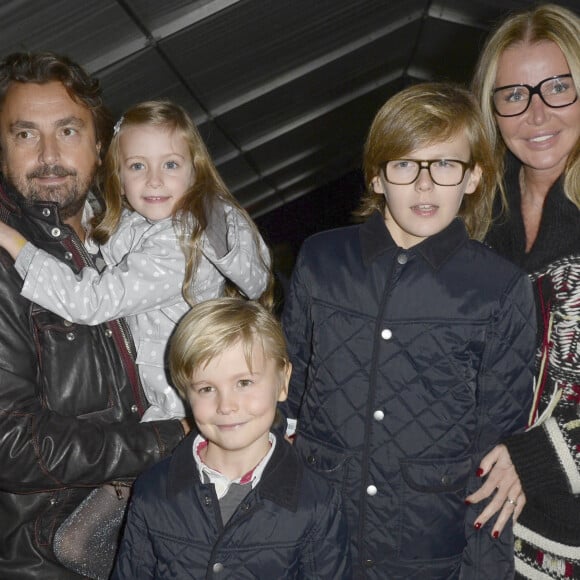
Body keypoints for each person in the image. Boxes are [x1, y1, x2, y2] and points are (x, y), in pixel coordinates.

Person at [0, 98, 272, 578]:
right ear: (118, 173)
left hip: (177, 403)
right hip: (162, 397)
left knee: (184, 521)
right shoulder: (134, 223)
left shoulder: (181, 240)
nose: (154, 180)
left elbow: (93, 302)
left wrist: (15, 242)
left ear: (195, 171)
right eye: (137, 166)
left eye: (170, 165)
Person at [282, 82, 537, 579]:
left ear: (473, 178)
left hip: (428, 553)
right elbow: (284, 393)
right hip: (315, 540)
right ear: (377, 177)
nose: (424, 186)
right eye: (405, 165)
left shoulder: (501, 289)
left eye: (444, 165)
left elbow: (497, 456)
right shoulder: (321, 259)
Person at [0, 52, 187, 580]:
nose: (49, 155)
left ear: (100, 143)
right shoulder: (5, 261)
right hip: (47, 559)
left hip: (160, 538)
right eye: (24, 135)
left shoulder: (141, 235)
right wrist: (170, 439)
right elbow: (9, 443)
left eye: (67, 131)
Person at [112, 297, 352, 579]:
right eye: (206, 388)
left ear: (283, 381)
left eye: (244, 383)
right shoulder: (153, 492)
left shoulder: (317, 504)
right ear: (184, 391)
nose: (226, 405)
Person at [467, 4, 580, 579]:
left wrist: (537, 456)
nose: (536, 113)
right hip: (489, 527)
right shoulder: (477, 219)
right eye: (513, 95)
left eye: (558, 88)